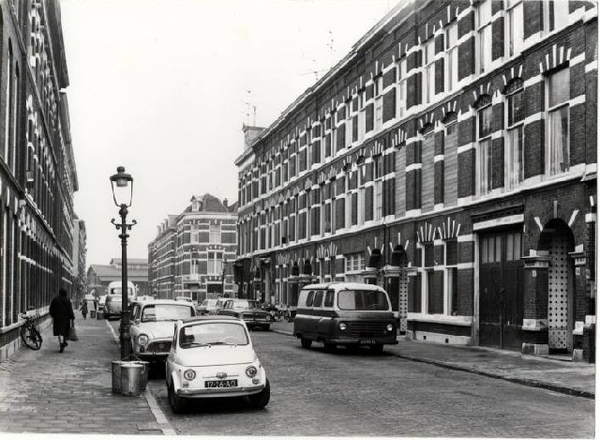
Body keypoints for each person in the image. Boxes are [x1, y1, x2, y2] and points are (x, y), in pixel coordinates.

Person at [49, 288, 75, 353]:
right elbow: (70, 309)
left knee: (59, 332)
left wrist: (53, 315)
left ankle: (61, 344)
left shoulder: (55, 299)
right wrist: (72, 318)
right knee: (64, 332)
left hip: (57, 318)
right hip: (66, 319)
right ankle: (64, 342)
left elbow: (51, 308)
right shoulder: (67, 300)